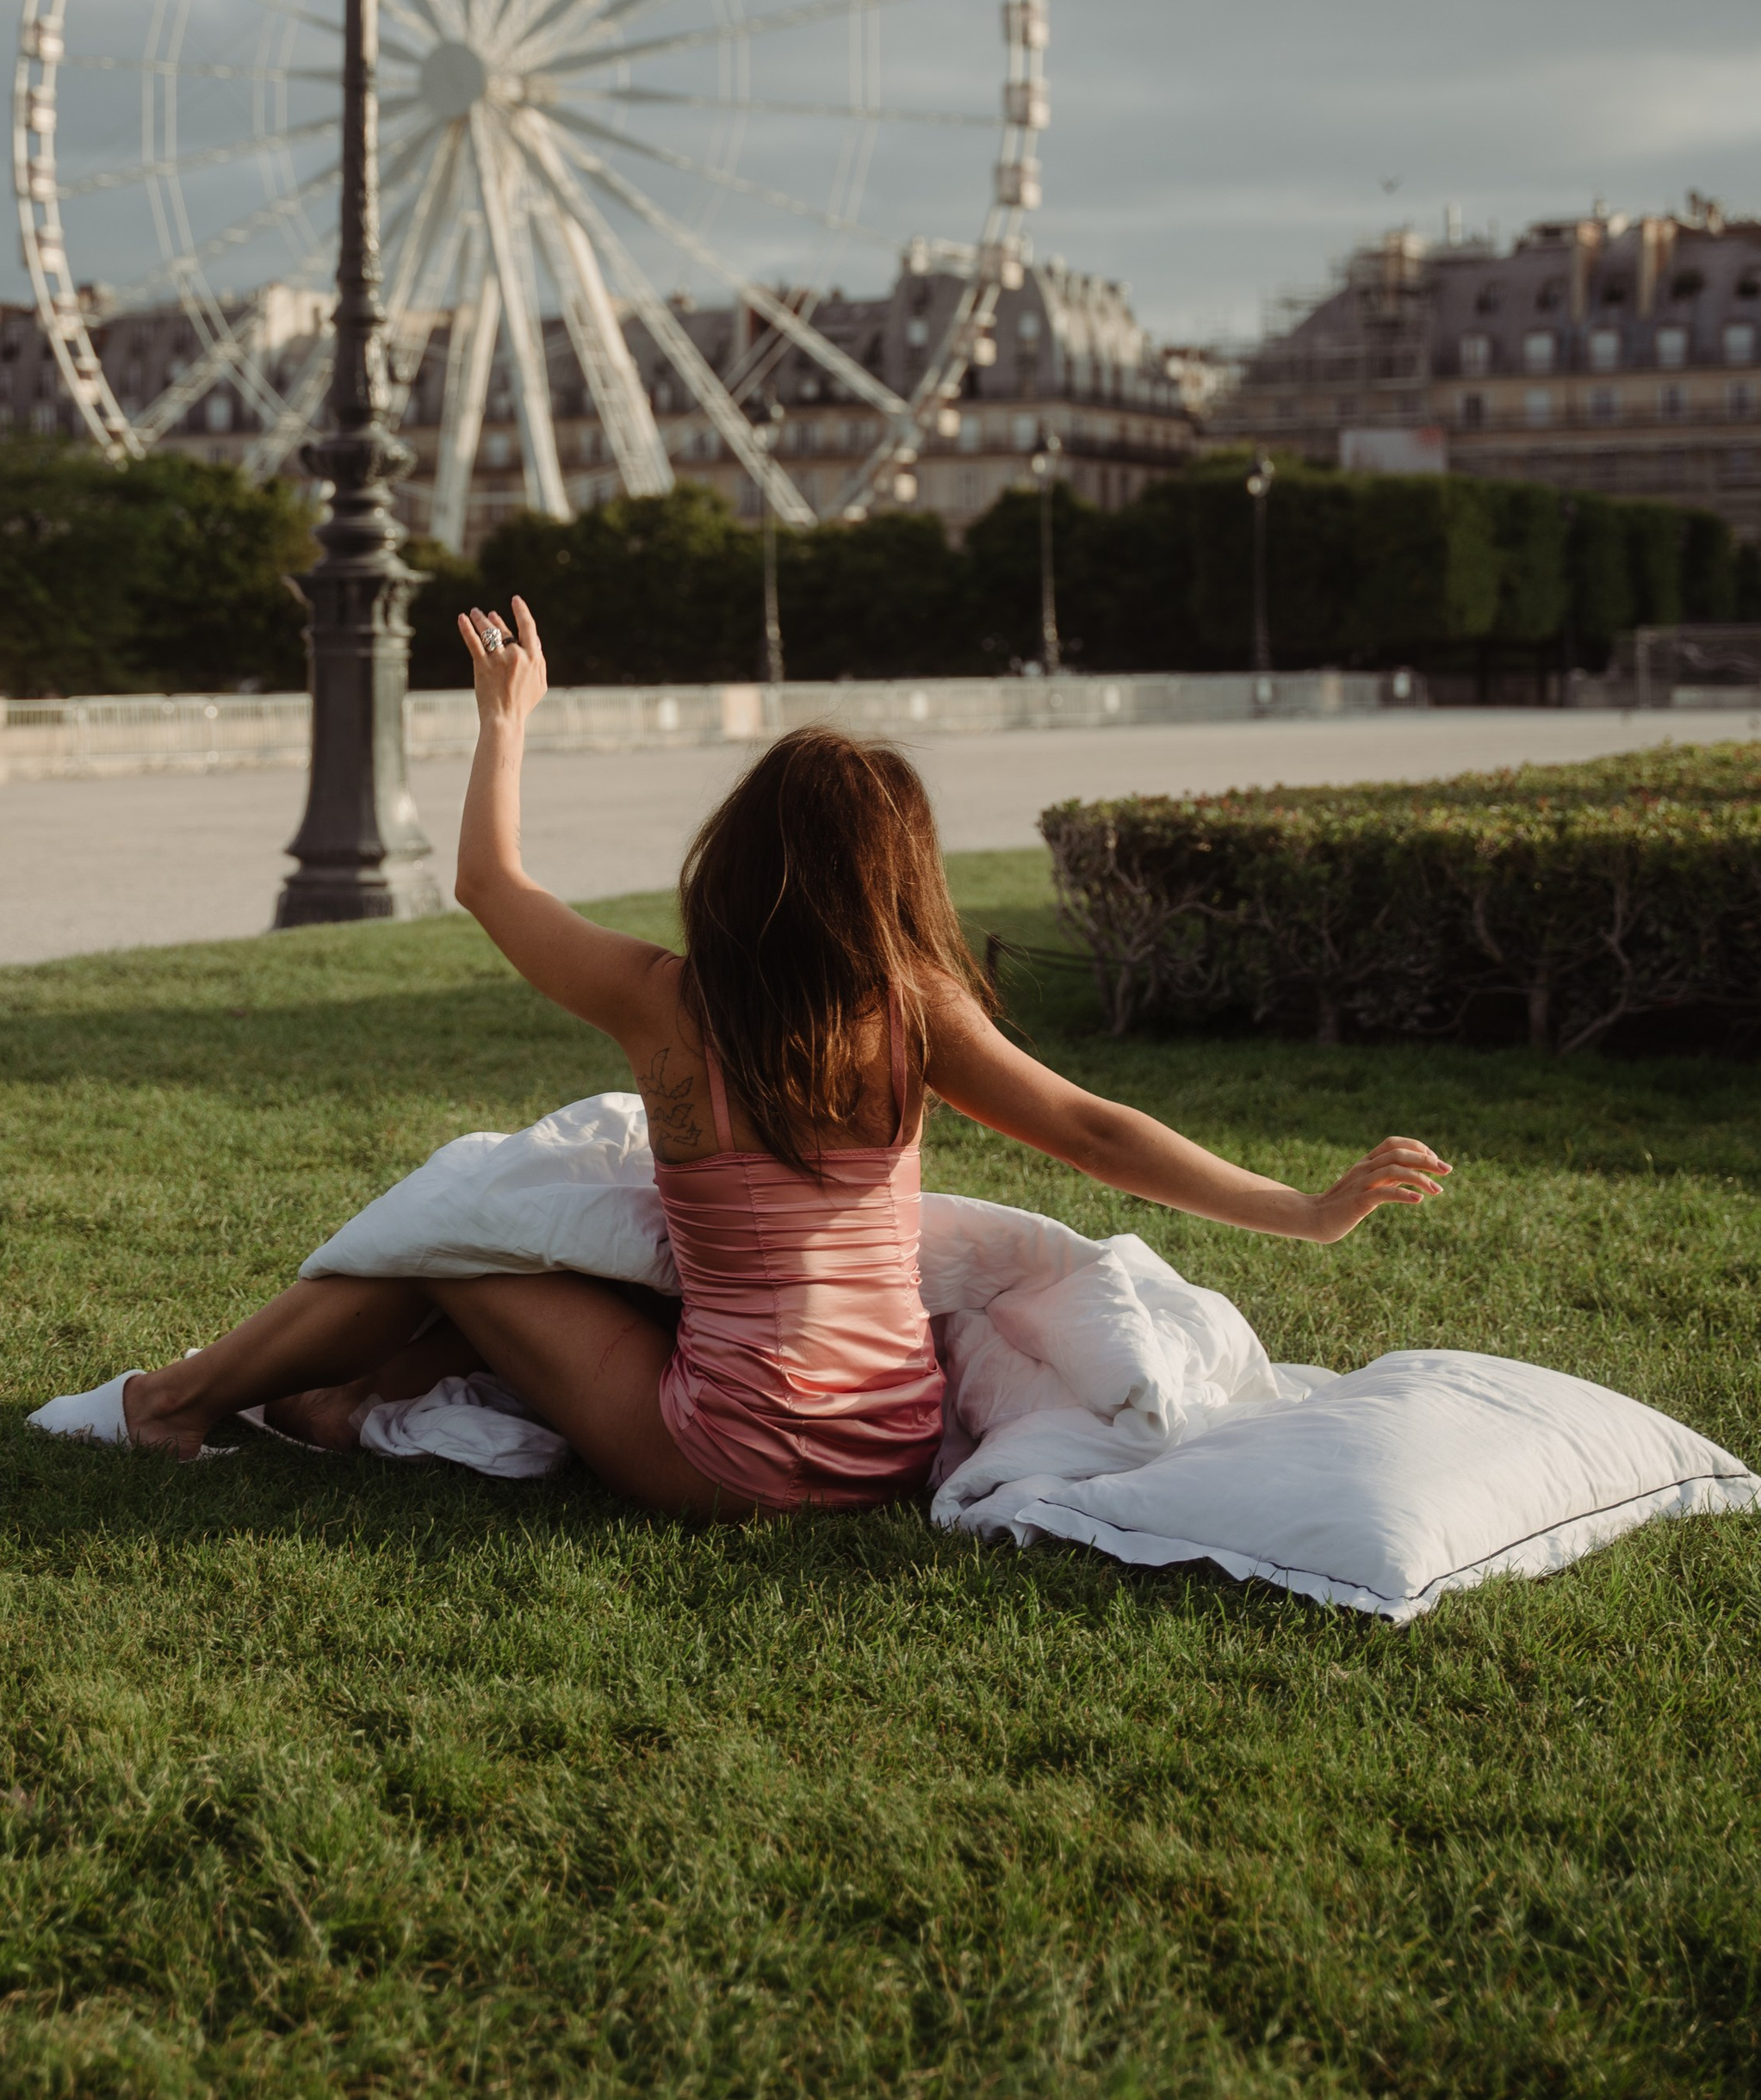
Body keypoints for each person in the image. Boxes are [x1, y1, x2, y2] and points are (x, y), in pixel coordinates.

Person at [92, 597, 1450, 1518]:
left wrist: (507, 720)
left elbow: (492, 886)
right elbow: (1096, 1131)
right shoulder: (915, 1014)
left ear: (735, 861)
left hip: (731, 1456)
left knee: (461, 1232)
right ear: (894, 881)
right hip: (892, 1439)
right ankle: (327, 1408)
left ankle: (180, 1405)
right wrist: (1301, 1209)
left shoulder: (666, 1003)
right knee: (526, 1240)